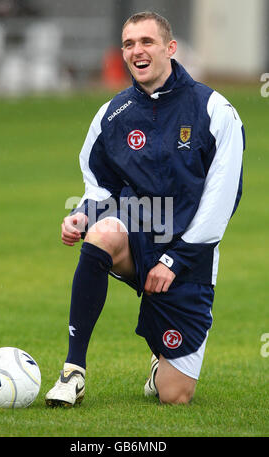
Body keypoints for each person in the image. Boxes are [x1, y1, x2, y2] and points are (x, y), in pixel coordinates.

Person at [45, 11, 244, 407]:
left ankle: (161, 364)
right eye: (129, 43)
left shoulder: (214, 110)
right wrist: (83, 214)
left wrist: (174, 260)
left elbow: (222, 201)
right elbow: (101, 186)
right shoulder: (111, 115)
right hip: (137, 239)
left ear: (170, 48)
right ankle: (73, 372)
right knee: (101, 234)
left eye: (147, 42)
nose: (137, 51)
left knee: (175, 397)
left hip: (190, 257)